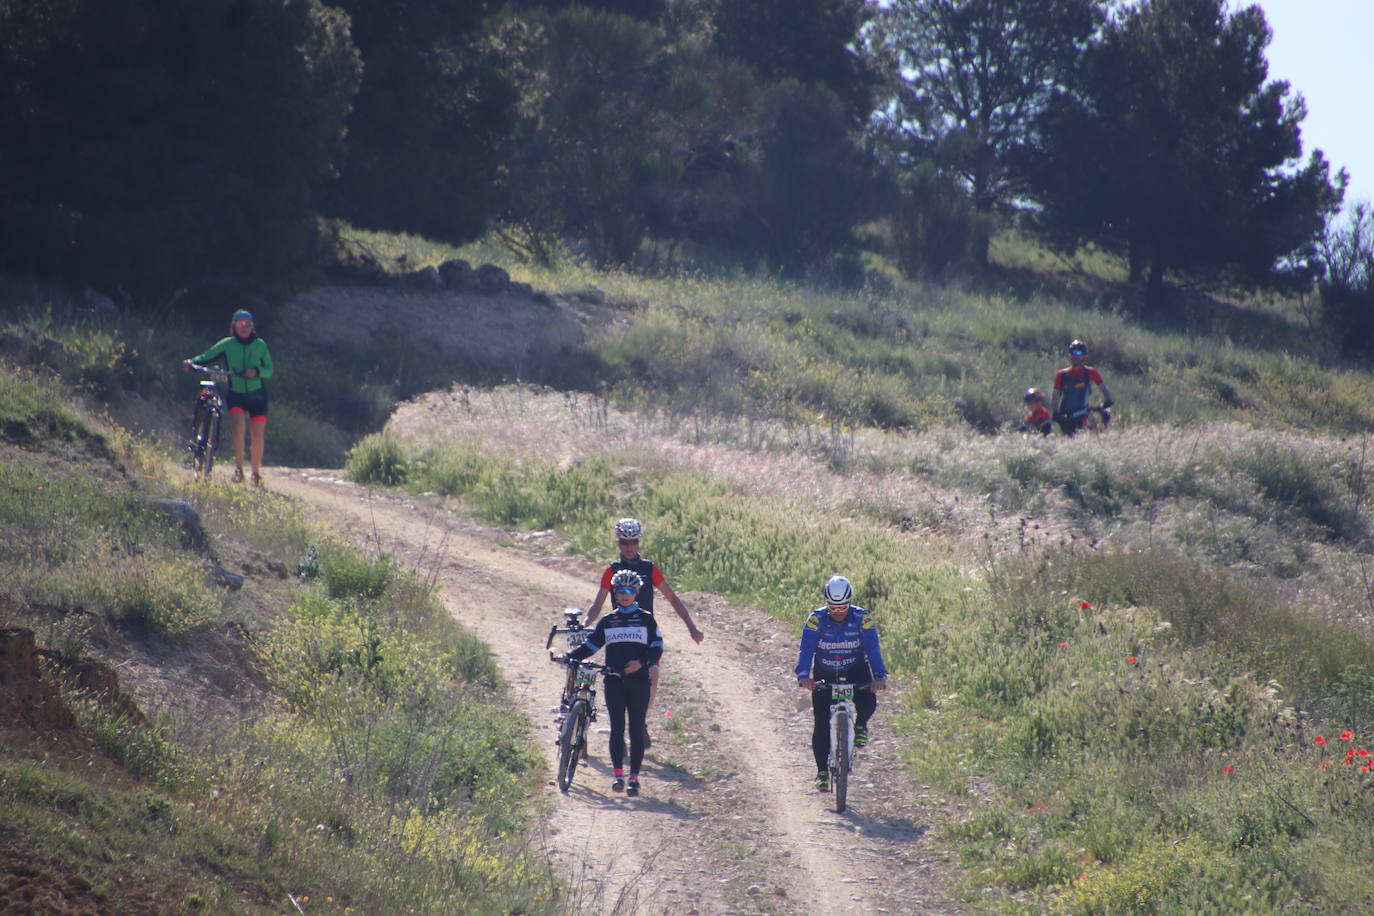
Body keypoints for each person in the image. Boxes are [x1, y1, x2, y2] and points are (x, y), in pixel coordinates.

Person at [586, 517, 703, 749]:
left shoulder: (649, 569)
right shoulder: (611, 570)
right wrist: (585, 625)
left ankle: (640, 723)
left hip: (645, 630)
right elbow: (597, 604)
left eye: (633, 542)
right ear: (618, 543)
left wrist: (691, 627)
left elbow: (673, 599)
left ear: (639, 542)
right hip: (619, 631)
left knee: (653, 679)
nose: (629, 547)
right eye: (624, 542)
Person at [555, 569, 663, 797]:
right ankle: (618, 776)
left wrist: (641, 663)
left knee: (635, 729)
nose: (623, 595)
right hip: (614, 682)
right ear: (613, 593)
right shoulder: (608, 621)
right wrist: (571, 656)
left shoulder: (646, 619)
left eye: (628, 591)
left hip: (639, 682)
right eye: (618, 590)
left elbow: (657, 648)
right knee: (617, 729)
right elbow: (591, 647)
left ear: (636, 593)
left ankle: (634, 778)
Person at [795, 575, 888, 791]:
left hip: (855, 669)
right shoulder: (816, 619)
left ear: (850, 602)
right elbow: (806, 649)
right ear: (827, 603)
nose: (838, 612)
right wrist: (803, 676)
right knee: (820, 722)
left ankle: (861, 724)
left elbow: (873, 648)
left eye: (843, 607)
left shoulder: (861, 618)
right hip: (825, 672)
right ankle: (821, 772)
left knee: (868, 699)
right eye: (833, 607)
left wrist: (880, 676)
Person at [183, 309, 274, 484]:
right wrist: (191, 363)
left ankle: (255, 472)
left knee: (257, 434)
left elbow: (269, 371)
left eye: (248, 324)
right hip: (237, 393)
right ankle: (239, 468)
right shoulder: (227, 344)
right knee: (238, 426)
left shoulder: (260, 345)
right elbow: (206, 357)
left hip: (258, 395)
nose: (244, 327)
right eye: (241, 323)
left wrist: (255, 371)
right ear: (234, 326)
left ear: (253, 326)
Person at [1051, 339, 1113, 437]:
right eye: (1073, 352)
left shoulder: (1090, 372)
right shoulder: (1062, 374)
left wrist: (1109, 400)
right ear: (1069, 355)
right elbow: (1055, 395)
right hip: (1065, 416)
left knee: (1087, 438)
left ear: (1084, 355)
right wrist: (1055, 412)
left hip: (1081, 414)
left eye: (1079, 352)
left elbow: (1103, 387)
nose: (1076, 355)